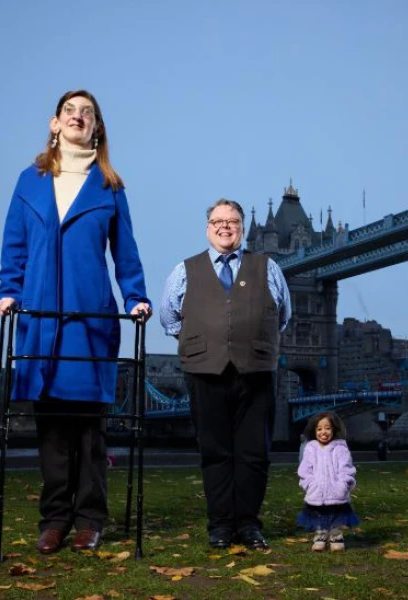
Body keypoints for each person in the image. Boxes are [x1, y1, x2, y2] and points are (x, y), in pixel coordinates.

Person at [0, 90, 151, 555]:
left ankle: (89, 519)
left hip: (90, 318)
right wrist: (9, 289)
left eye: (88, 112)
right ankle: (54, 519)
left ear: (97, 127)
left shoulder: (110, 187)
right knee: (52, 429)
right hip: (41, 318)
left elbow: (125, 252)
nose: (79, 117)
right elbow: (14, 243)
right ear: (55, 123)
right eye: (71, 111)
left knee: (89, 429)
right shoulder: (30, 181)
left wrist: (136, 295)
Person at [160, 198, 291, 550]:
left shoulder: (268, 267)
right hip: (205, 373)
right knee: (215, 452)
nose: (225, 226)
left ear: (242, 228)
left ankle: (249, 526)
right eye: (218, 221)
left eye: (232, 220)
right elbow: (169, 318)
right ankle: (219, 527)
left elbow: (282, 316)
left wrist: (248, 339)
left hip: (257, 372)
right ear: (208, 228)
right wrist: (207, 339)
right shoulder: (184, 270)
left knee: (254, 454)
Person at [297, 411, 359, 552]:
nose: (323, 432)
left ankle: (336, 536)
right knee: (319, 515)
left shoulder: (340, 448)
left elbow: (347, 469)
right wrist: (309, 484)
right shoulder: (310, 448)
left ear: (334, 430)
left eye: (327, 428)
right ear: (314, 431)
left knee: (336, 516)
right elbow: (305, 470)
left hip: (336, 491)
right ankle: (320, 535)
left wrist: (343, 485)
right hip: (316, 491)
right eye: (319, 429)